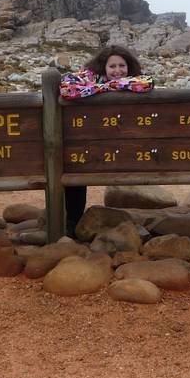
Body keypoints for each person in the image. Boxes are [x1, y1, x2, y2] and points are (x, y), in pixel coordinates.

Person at [59, 45, 154, 236]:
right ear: (104, 67)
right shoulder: (88, 76)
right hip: (88, 138)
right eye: (112, 66)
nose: (117, 71)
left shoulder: (137, 78)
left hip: (119, 139)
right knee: (75, 172)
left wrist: (101, 89)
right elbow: (66, 89)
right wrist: (107, 87)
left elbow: (147, 83)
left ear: (129, 66)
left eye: (122, 65)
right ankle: (72, 223)